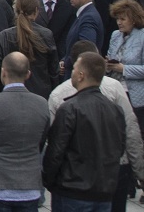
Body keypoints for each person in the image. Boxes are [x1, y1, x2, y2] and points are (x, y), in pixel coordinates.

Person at [45, 52, 127, 212]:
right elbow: (119, 148)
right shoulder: (115, 110)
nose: (72, 72)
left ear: (81, 75)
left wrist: (49, 180)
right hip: (103, 192)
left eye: (74, 68)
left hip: (71, 192)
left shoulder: (69, 109)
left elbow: (55, 151)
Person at [0, 52, 51, 212]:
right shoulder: (42, 104)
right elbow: (40, 144)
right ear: (28, 74)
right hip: (29, 188)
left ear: (3, 72)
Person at [0, 0, 59, 97]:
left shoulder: (2, 37)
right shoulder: (46, 35)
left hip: (9, 95)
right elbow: (53, 71)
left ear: (15, 10)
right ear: (36, 11)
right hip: (40, 95)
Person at [106, 0, 144, 123]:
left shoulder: (142, 36)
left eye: (123, 19)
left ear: (133, 20)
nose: (119, 22)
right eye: (117, 19)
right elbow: (111, 56)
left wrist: (124, 69)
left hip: (136, 96)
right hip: (115, 91)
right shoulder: (115, 35)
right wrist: (107, 65)